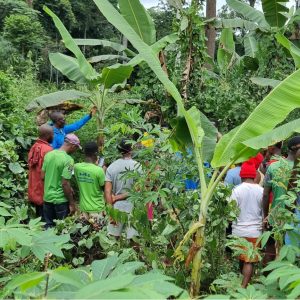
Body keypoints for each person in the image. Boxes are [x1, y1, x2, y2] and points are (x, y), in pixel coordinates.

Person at [263, 136, 300, 263]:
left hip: (275, 216)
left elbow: (265, 194)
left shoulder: (273, 167)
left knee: (271, 250)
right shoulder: (298, 169)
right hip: (294, 219)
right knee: (292, 254)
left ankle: (268, 279)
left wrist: (265, 215)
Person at [231, 161, 263, 288]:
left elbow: (231, 209)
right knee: (249, 260)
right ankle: (244, 287)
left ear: (241, 175)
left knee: (242, 258)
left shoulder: (236, 190)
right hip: (254, 231)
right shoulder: (261, 191)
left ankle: (242, 285)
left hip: (238, 230)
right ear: (254, 175)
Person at [42, 134, 81, 228]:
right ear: (73, 146)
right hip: (60, 201)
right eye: (76, 148)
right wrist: (72, 203)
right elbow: (65, 183)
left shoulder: (49, 155)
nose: (75, 151)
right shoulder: (69, 160)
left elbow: (42, 176)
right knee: (62, 229)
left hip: (47, 198)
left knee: (49, 227)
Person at [104, 139, 140, 239]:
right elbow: (139, 189)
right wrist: (149, 214)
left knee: (112, 239)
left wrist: (110, 212)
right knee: (134, 239)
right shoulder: (138, 166)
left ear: (119, 151)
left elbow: (107, 191)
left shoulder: (111, 167)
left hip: (116, 207)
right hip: (134, 207)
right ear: (131, 149)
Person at [74, 142, 106, 223]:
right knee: (97, 233)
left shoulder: (77, 167)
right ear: (96, 153)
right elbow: (104, 189)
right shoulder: (99, 170)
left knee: (84, 234)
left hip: (83, 208)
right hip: (97, 208)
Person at [28, 124, 53, 219]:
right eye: (52, 134)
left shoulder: (34, 146)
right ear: (47, 135)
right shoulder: (48, 150)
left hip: (33, 189)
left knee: (38, 217)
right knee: (45, 220)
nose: (53, 136)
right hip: (43, 190)